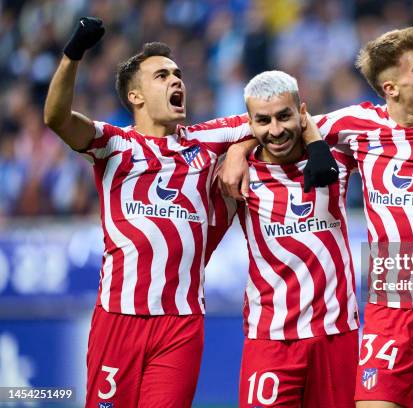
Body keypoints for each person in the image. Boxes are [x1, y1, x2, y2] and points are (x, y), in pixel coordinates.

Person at [43, 17, 337, 408]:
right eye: (162, 76)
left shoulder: (207, 138)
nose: (176, 81)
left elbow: (271, 119)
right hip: (119, 316)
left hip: (181, 324)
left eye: (178, 74)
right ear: (136, 97)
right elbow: (56, 119)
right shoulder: (115, 145)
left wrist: (236, 150)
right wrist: (73, 53)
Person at [221, 27, 413, 408]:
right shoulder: (357, 125)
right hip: (387, 311)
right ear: (391, 88)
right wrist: (237, 150)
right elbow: (287, 123)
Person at [206, 70, 360, 407]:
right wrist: (236, 152)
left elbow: (398, 125)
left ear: (301, 113)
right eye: (263, 121)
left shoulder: (341, 160)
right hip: (271, 337)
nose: (275, 130)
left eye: (284, 116)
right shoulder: (237, 177)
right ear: (250, 123)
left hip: (336, 334)